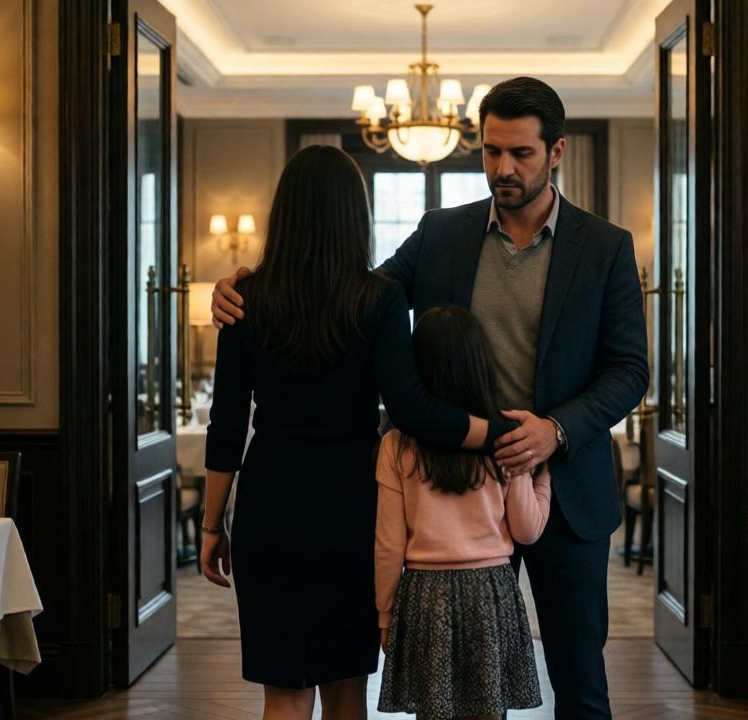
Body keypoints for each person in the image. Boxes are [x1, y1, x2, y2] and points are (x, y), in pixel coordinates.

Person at [214, 77, 648, 719]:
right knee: (452, 691)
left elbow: (629, 370)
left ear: (556, 153)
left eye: (520, 154)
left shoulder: (606, 246)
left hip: (561, 492)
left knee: (579, 678)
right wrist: (252, 283)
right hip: (452, 495)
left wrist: (554, 429)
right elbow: (347, 298)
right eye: (491, 152)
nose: (502, 168)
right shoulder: (441, 232)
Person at [200, 145, 498, 720]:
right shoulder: (379, 299)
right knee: (345, 690)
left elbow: (227, 426)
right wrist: (494, 430)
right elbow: (410, 407)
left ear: (282, 215)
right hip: (353, 509)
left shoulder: (245, 300)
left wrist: (214, 525)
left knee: (283, 694)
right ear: (354, 217)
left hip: (270, 506)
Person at [374, 305, 550, 719]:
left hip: (423, 595)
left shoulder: (397, 445)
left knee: (432, 710)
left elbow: (387, 545)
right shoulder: (504, 440)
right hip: (490, 593)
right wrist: (544, 479)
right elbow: (527, 531)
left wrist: (385, 613)